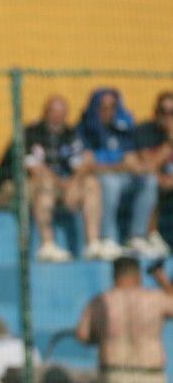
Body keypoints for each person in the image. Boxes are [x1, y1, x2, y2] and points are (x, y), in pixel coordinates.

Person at [0, 95, 102, 262]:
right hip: (12, 189)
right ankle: (47, 245)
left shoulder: (70, 134)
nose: (58, 117)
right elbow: (35, 170)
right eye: (54, 112)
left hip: (58, 187)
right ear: (45, 113)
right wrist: (64, 186)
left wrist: (74, 184)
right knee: (45, 184)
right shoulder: (30, 133)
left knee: (91, 183)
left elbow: (81, 164)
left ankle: (93, 243)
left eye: (62, 113)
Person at [74, 256, 173, 383]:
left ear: (114, 276)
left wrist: (104, 337)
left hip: (113, 375)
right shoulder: (155, 299)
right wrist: (162, 279)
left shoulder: (100, 302)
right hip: (150, 375)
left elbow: (82, 335)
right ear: (138, 276)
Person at [77, 88, 162, 260]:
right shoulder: (85, 130)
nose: (108, 111)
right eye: (103, 107)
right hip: (98, 179)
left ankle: (137, 236)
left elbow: (130, 158)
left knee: (149, 181)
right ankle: (108, 238)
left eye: (112, 107)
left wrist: (138, 167)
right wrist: (119, 166)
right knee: (110, 183)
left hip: (121, 176)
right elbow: (88, 165)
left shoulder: (122, 129)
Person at [131, 91, 173, 257]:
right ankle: (144, 236)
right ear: (156, 112)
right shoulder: (145, 131)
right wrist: (170, 142)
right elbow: (148, 165)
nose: (168, 117)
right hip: (152, 179)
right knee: (150, 183)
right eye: (165, 112)